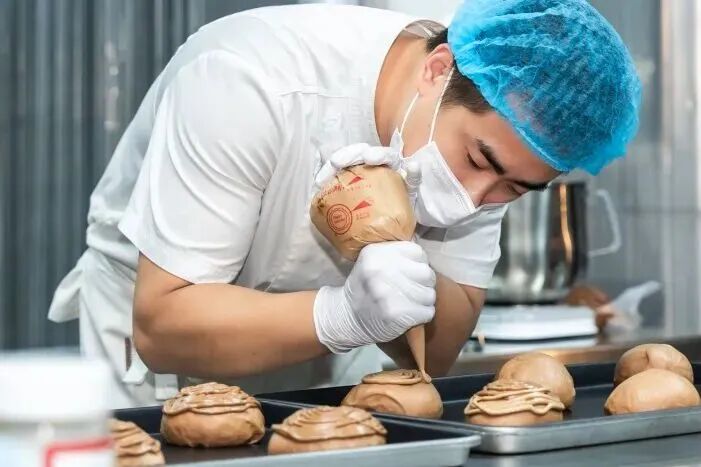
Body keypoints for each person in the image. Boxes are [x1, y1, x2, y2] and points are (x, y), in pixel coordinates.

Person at [49, 0, 641, 408]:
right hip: (163, 356)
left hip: (319, 364)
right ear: (436, 72)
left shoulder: (499, 142)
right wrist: (346, 316)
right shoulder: (249, 82)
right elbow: (163, 326)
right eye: (478, 161)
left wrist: (396, 255)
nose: (473, 201)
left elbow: (436, 353)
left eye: (515, 188)